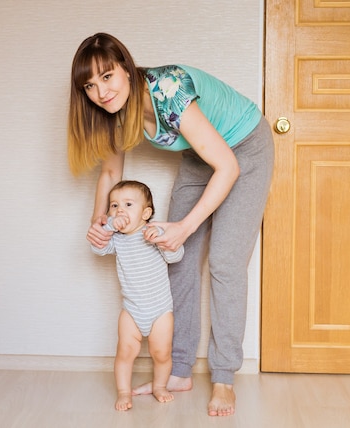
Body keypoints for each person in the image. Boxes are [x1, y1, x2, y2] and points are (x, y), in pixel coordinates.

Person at [68, 33, 274, 416]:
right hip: (202, 156)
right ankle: (179, 371)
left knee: (226, 263)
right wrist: (100, 221)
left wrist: (186, 225)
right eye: (90, 86)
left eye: (107, 76)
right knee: (176, 259)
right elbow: (111, 171)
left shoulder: (168, 88)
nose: (100, 92)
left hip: (245, 148)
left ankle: (225, 377)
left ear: (127, 70)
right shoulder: (114, 113)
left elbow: (228, 166)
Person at [90, 180, 184, 411]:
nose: (119, 210)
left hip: (160, 310)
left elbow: (176, 255)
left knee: (161, 353)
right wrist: (109, 226)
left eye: (128, 204)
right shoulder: (116, 240)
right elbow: (97, 248)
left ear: (146, 213)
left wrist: (161, 241)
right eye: (114, 206)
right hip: (131, 310)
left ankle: (160, 386)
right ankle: (124, 391)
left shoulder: (153, 233)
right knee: (125, 351)